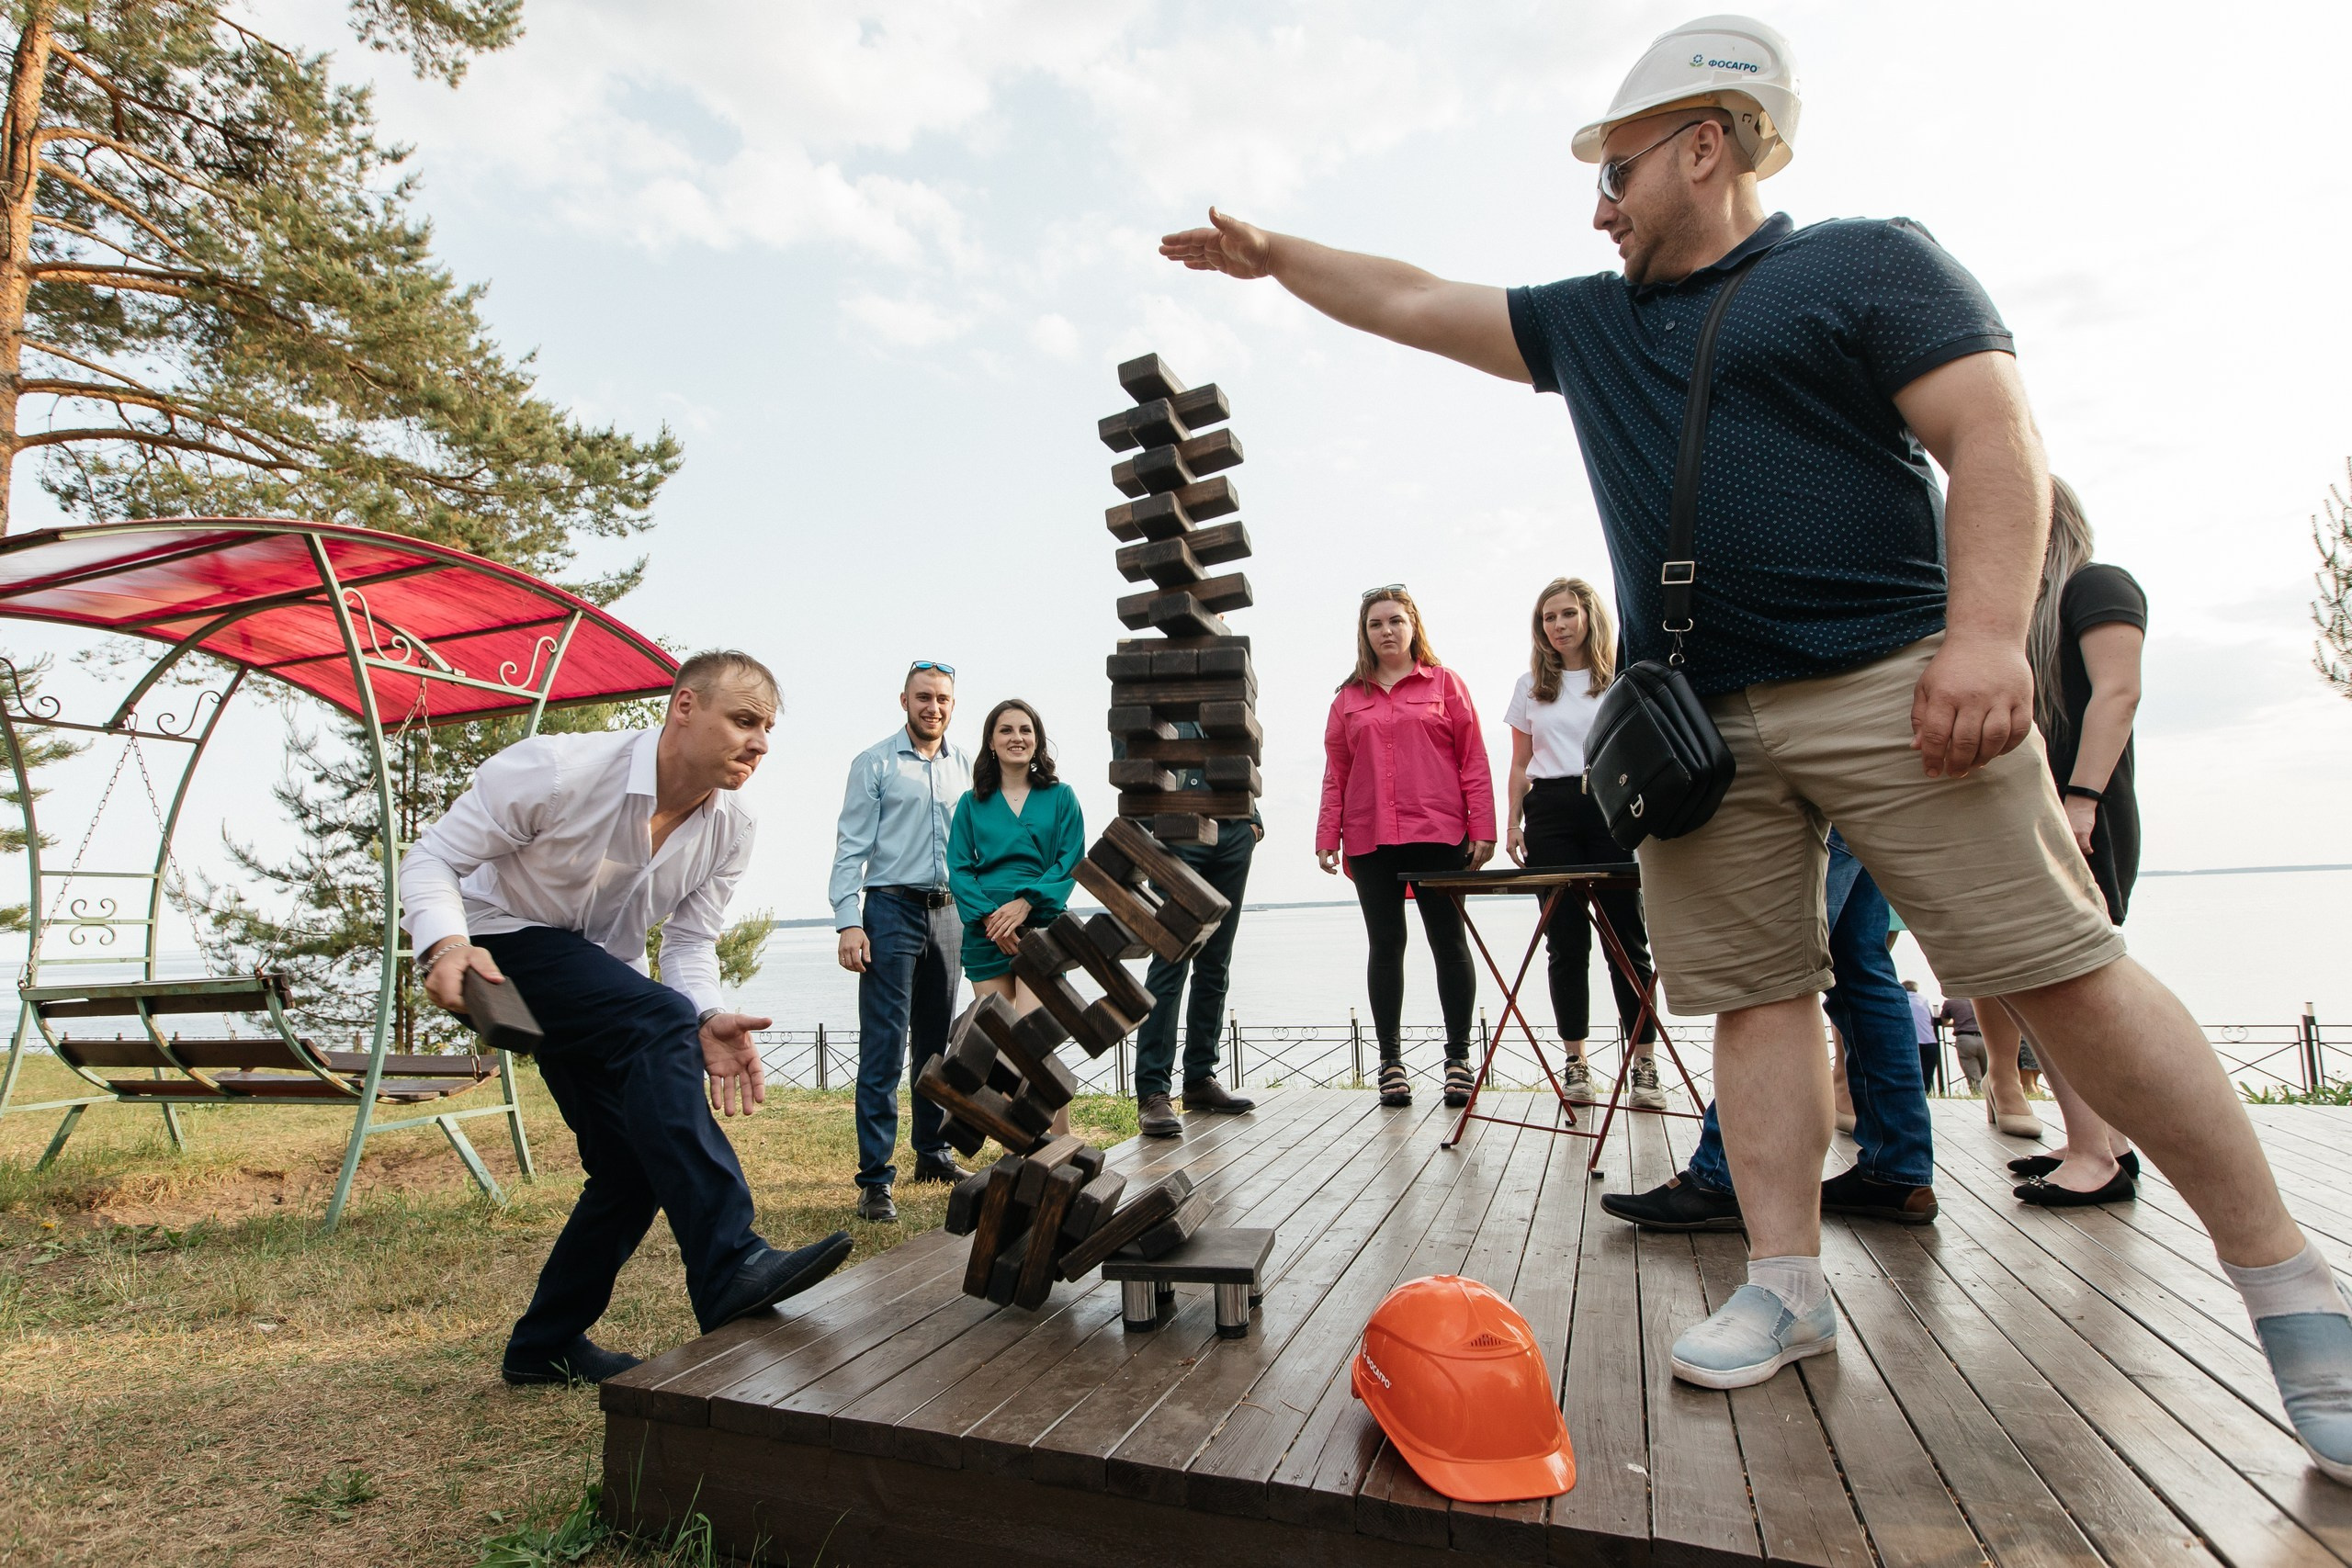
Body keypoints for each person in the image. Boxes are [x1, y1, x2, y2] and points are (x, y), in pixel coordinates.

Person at [1159, 16, 2352, 1482]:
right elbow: (1413, 294)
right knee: (1755, 994)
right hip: (1698, 721)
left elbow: (1993, 432)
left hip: (1895, 682)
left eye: (1619, 168)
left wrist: (1985, 638)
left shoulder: (1865, 263)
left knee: (2059, 962)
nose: (1599, 202)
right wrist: (1277, 255)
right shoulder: (1590, 325)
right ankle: (1785, 1283)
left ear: (1706, 146)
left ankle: (2294, 1287)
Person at [403, 650, 853, 1387]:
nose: (761, 742)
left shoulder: (731, 827)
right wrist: (446, 942)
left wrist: (708, 1013)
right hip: (502, 944)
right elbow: (431, 859)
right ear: (683, 707)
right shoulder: (556, 770)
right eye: (743, 720)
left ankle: (544, 1343)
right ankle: (731, 1262)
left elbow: (689, 940)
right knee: (655, 1016)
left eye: (768, 729)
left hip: (591, 979)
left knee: (627, 1165)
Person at [1602, 831, 1939, 1230]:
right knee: (1863, 973)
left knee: (1769, 967)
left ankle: (1722, 1179)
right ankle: (1898, 1170)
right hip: (1862, 799)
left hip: (1810, 799)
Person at [1994, 478, 2148, 1207]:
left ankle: (2097, 1153)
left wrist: (2080, 801)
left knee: (2062, 981)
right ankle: (2101, 1137)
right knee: (2032, 982)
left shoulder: (2097, 585)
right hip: (2029, 813)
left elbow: (2118, 693)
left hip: (2080, 813)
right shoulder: (2014, 616)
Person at [1317, 587, 1496, 1111]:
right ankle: (1391, 1063)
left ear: (1413, 625)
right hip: (1371, 837)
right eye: (1376, 624)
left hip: (1440, 832)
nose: (1387, 631)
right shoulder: (1348, 699)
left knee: (1448, 942)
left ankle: (1459, 1061)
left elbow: (1473, 758)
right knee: (1386, 944)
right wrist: (1328, 834)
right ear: (1364, 633)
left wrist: (1481, 825)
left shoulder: (1446, 684)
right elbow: (1337, 774)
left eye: (1396, 620)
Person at [1502, 576, 1664, 1111]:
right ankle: (1576, 1063)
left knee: (1627, 941)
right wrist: (1513, 823)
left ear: (1589, 617)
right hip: (1550, 812)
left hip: (1611, 806)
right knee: (1565, 943)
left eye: (1568, 614)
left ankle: (1643, 1065)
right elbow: (1520, 763)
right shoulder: (1531, 686)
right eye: (1548, 617)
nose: (1558, 625)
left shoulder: (1619, 676)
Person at [830, 660, 974, 1225]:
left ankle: (933, 1154)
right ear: (904, 701)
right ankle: (874, 1179)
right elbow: (849, 849)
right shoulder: (875, 763)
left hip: (950, 915)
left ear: (953, 705)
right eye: (922, 697)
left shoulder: (968, 768)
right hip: (888, 911)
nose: (932, 707)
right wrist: (848, 922)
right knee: (884, 1047)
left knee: (937, 1046)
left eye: (942, 698)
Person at [948, 698, 1086, 1135]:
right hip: (985, 934)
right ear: (991, 742)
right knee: (1004, 1050)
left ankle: (1061, 1145)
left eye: (1025, 730)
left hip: (1042, 927)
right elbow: (959, 868)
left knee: (1036, 1041)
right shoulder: (972, 804)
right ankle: (1019, 1149)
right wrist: (992, 919)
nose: (1017, 738)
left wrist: (1025, 906)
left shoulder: (1060, 797)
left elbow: (1069, 861)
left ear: (1038, 739)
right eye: (1006, 730)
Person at [1127, 720, 1261, 1138]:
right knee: (1170, 958)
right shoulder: (1150, 673)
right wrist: (1154, 826)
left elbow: (1243, 748)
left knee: (1216, 961)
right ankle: (1153, 1091)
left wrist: (1252, 820)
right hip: (1176, 832)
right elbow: (1130, 759)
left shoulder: (1227, 666)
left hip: (1233, 830)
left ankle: (1201, 1078)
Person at [1938, 994, 1987, 1091]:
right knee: (1988, 1074)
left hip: (1965, 1038)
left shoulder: (1950, 1003)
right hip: (1983, 1038)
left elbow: (1944, 1022)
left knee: (1974, 1076)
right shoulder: (1978, 1001)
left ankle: (1978, 1096)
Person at [1901, 981, 1941, 1089]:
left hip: (1910, 1041)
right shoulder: (1923, 1000)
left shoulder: (1900, 999)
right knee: (1927, 1075)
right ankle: (1927, 1093)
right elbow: (1931, 1019)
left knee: (1909, 1074)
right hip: (1929, 1041)